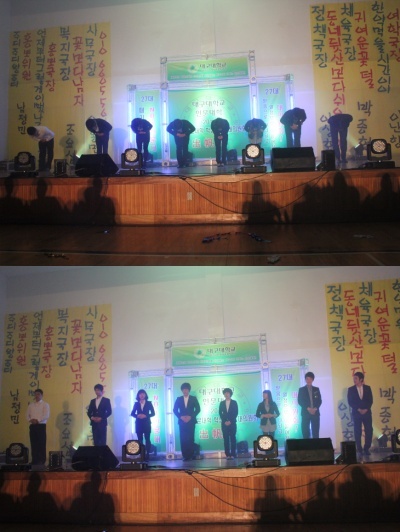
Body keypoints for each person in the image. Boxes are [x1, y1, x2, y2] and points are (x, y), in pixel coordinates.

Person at [347, 371, 373, 456]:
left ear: (361, 379)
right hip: (356, 413)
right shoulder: (351, 389)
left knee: (369, 430)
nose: (354, 380)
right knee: (357, 431)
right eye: (353, 378)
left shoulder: (367, 388)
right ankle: (359, 449)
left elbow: (370, 400)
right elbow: (350, 401)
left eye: (356, 378)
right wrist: (358, 409)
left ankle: (366, 448)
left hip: (367, 413)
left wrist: (366, 409)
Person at [173, 382, 201, 461]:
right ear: (182, 390)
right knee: (183, 438)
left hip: (191, 421)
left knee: (190, 438)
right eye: (183, 389)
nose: (185, 391)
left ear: (189, 390)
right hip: (182, 422)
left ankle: (191, 455)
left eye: (186, 389)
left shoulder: (193, 398)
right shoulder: (179, 399)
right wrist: (181, 417)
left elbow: (198, 409)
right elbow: (175, 410)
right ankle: (185, 456)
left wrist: (191, 416)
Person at [26, 388, 50, 465]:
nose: (36, 396)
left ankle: (42, 460)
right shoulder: (31, 405)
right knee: (33, 443)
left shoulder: (45, 404)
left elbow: (46, 415)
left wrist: (37, 420)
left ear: (42, 395)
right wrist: (31, 420)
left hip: (41, 426)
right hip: (33, 426)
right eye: (35, 394)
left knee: (41, 443)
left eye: (38, 394)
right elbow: (27, 415)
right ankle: (34, 460)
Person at [130, 389, 155, 458]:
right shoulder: (136, 404)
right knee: (140, 439)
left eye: (143, 394)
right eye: (140, 394)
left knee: (147, 439)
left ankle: (147, 454)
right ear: (138, 395)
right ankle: (142, 454)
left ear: (145, 395)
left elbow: (153, 413)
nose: (142, 395)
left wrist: (146, 415)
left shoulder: (149, 403)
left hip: (147, 423)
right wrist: (137, 416)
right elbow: (132, 413)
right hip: (139, 424)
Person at [298, 371, 322, 439]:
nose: (308, 380)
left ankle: (316, 445)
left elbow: (319, 400)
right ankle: (307, 445)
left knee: (315, 432)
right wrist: (308, 408)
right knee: (305, 432)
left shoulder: (316, 389)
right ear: (305, 380)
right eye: (307, 379)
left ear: (312, 379)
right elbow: (300, 401)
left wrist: (315, 408)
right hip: (306, 413)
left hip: (315, 413)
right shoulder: (301, 390)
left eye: (310, 379)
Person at [218, 387, 238, 460]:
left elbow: (236, 413)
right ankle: (227, 454)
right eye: (225, 393)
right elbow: (220, 413)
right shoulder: (222, 403)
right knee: (226, 439)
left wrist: (230, 421)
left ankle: (233, 454)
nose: (226, 394)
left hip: (232, 423)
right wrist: (224, 421)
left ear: (230, 394)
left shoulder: (234, 402)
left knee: (233, 438)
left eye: (228, 393)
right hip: (224, 424)